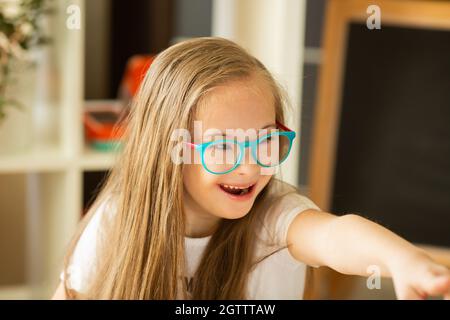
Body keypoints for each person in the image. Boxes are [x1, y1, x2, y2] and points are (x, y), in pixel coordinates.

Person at [52, 37, 450, 300]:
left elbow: (336, 235)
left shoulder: (274, 217)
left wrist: (402, 260)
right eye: (223, 146)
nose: (251, 166)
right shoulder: (114, 225)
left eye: (263, 141)